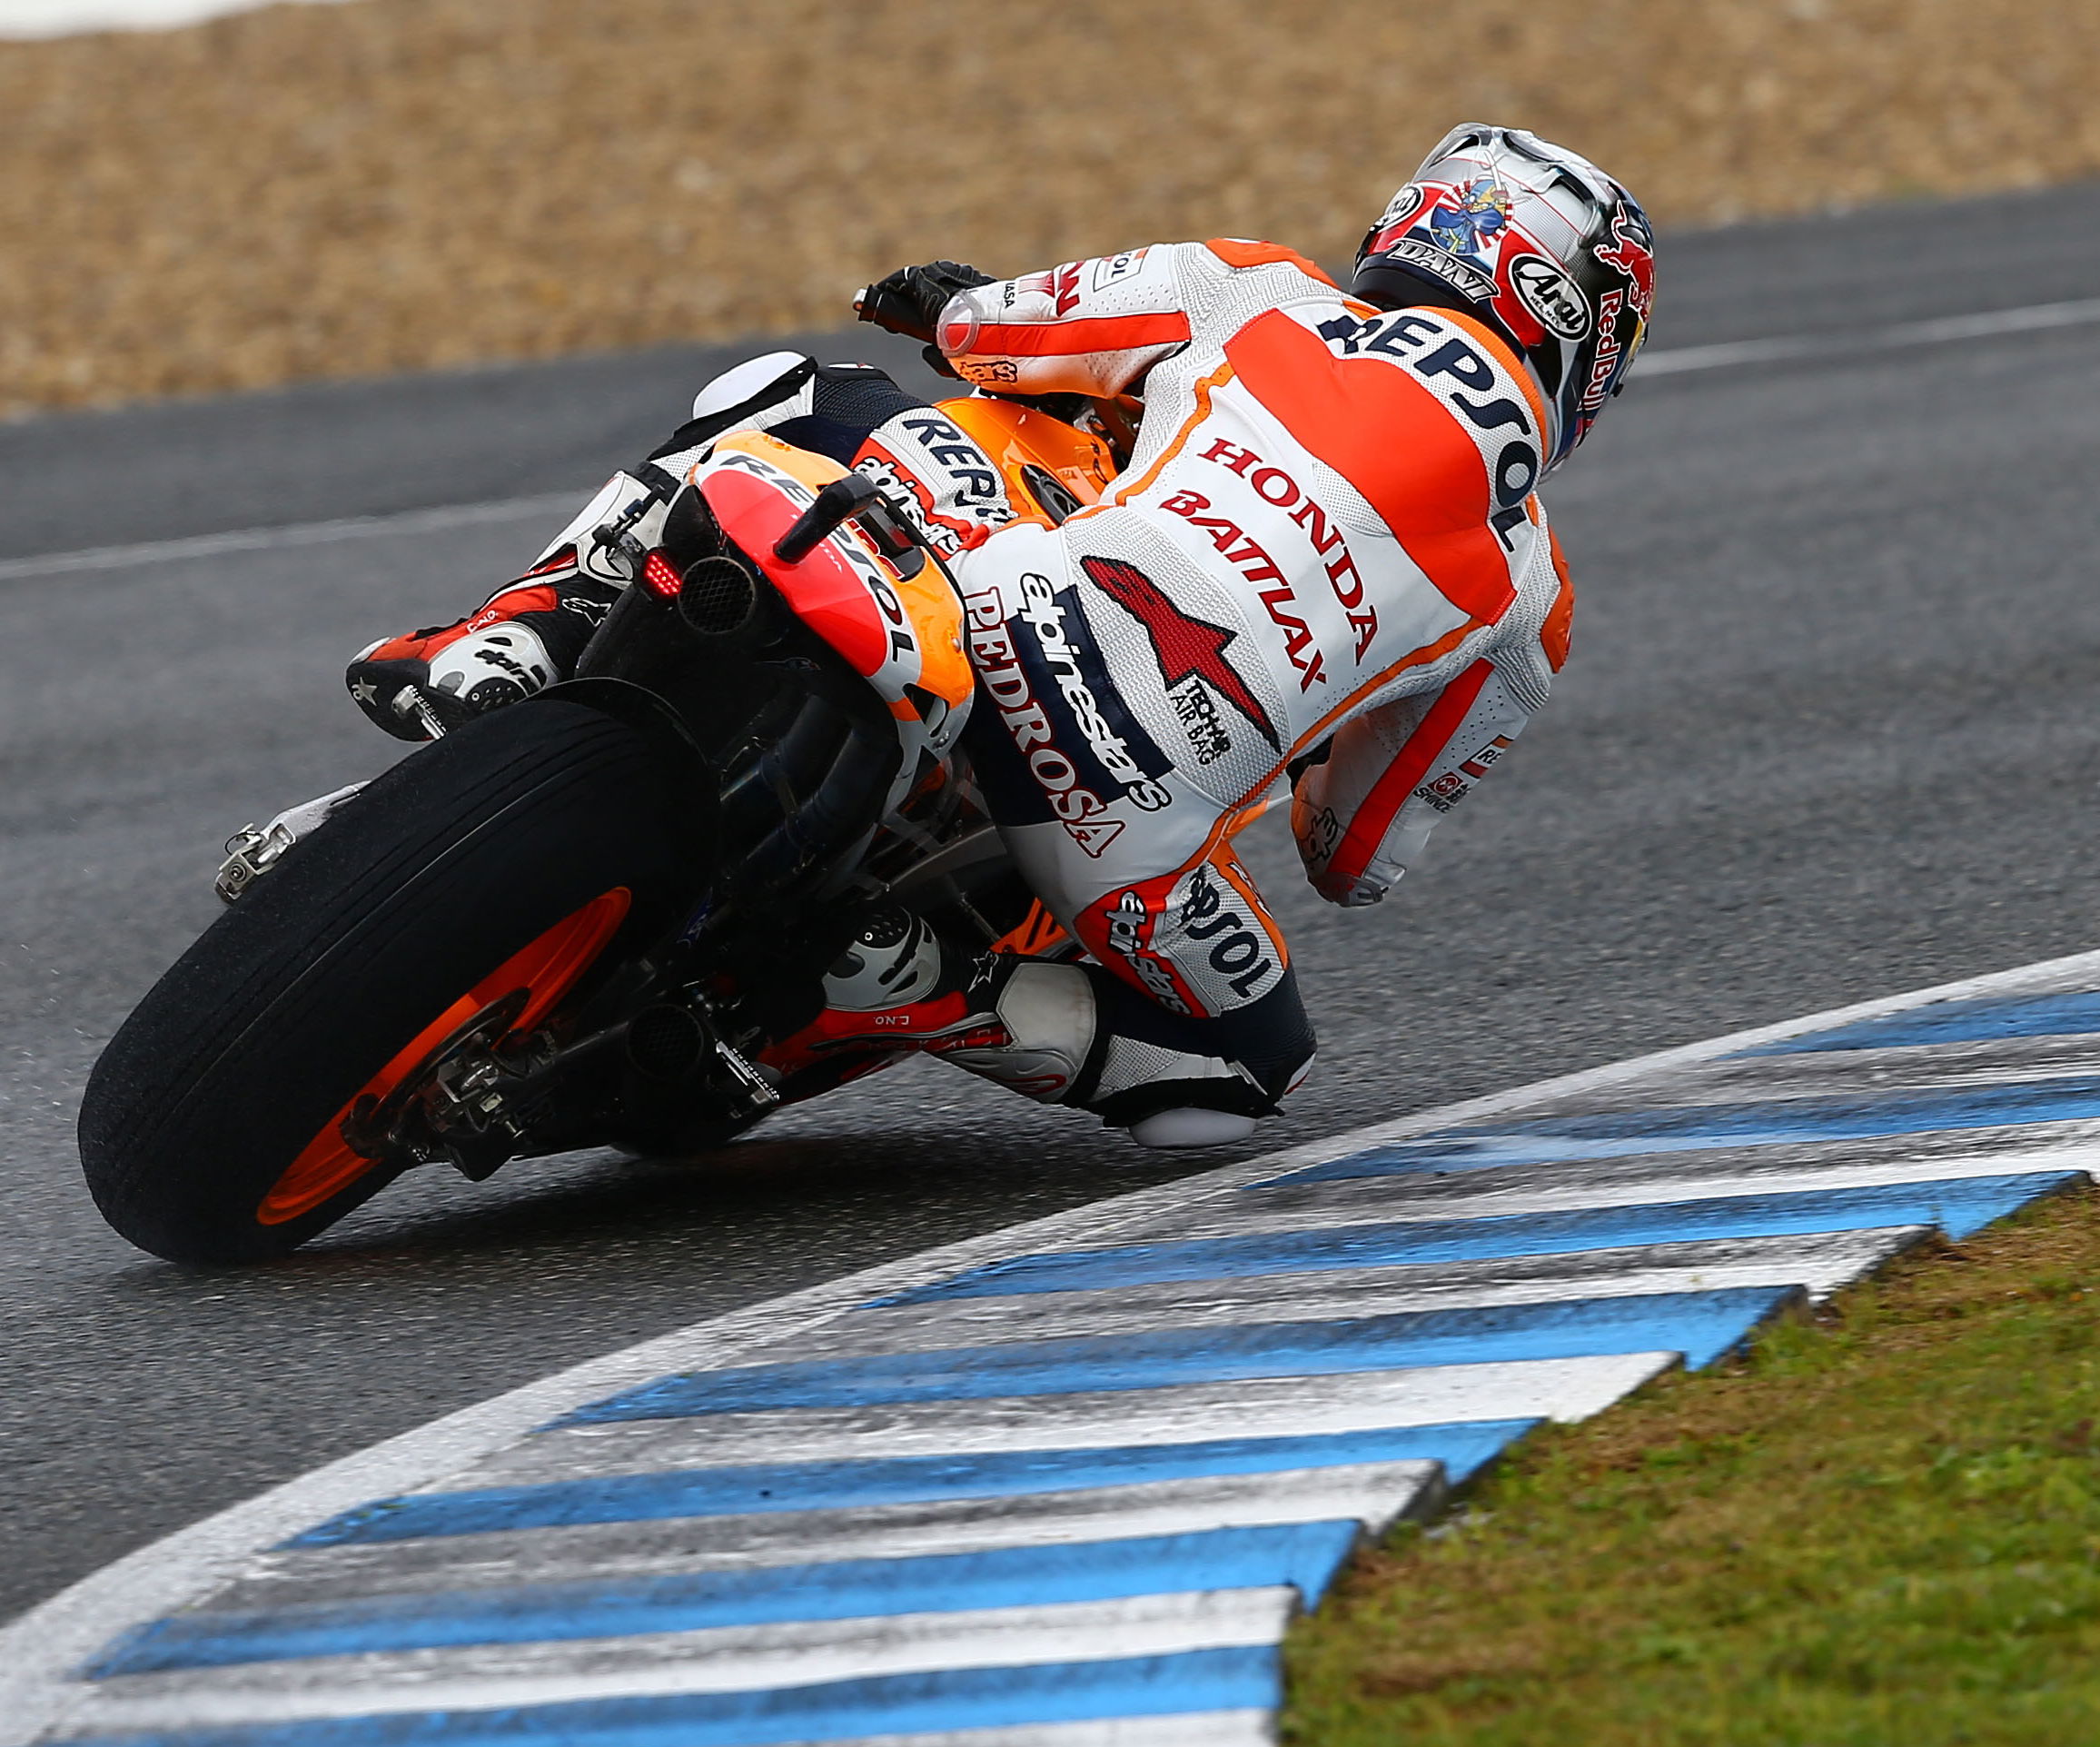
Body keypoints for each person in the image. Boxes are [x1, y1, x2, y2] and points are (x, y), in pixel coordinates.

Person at [346, 125, 1654, 1149]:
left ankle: (512, 634)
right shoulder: (1531, 600)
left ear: (1418, 222)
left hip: (993, 615)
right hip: (1113, 825)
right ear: (1580, 340)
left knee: (790, 393)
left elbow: (985, 336)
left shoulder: (1257, 287)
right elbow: (1350, 859)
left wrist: (943, 304)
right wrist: (1316, 718)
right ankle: (904, 983)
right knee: (1244, 1073)